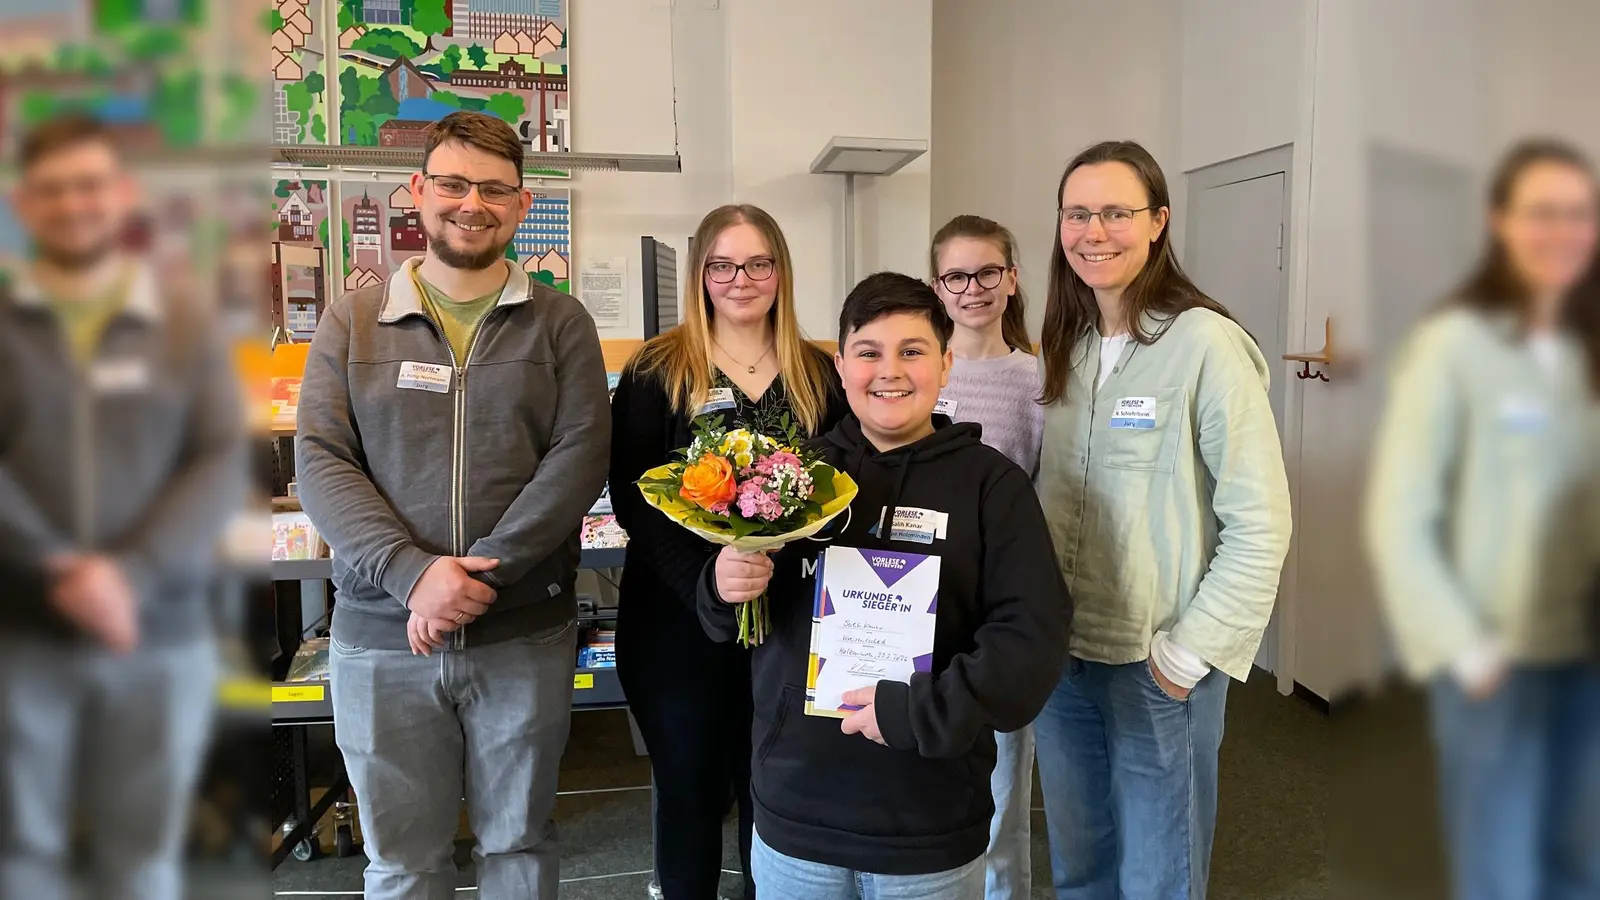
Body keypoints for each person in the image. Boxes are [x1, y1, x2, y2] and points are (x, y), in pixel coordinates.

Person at [296, 111, 610, 900]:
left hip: (522, 633)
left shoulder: (561, 323)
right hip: (383, 639)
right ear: (418, 190)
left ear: (522, 204)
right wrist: (414, 577)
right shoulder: (352, 320)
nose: (473, 203)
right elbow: (323, 461)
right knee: (404, 864)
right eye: (454, 183)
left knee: (520, 847)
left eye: (495, 189)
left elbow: (578, 459)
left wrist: (475, 581)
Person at [703, 272, 1070, 900]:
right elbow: (734, 622)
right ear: (841, 366)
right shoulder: (791, 479)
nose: (889, 371)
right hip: (798, 814)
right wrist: (721, 586)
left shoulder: (992, 488)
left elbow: (1030, 641)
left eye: (912, 350)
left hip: (927, 821)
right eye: (869, 352)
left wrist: (921, 710)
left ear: (946, 364)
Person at [1032, 140, 1293, 900]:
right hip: (1062, 657)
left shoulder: (1205, 343)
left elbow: (1261, 521)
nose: (1094, 232)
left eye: (1117, 212)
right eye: (1077, 214)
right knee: (1080, 868)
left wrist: (1187, 655)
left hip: (1155, 662)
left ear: (1158, 222)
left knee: (1158, 877)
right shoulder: (1068, 345)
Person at [0, 114, 245, 900]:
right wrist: (58, 567)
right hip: (21, 633)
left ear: (125, 193)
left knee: (141, 861)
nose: (73, 204)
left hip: (161, 634)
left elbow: (218, 459)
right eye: (52, 189)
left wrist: (129, 575)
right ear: (24, 203)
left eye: (90, 184)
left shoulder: (184, 322)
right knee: (20, 856)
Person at [1364, 138, 1600, 900]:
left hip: (1587, 650)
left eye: (1578, 214)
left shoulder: (1587, 347)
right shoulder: (1450, 348)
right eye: (1541, 213)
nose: (1562, 232)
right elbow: (1397, 516)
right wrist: (1464, 651)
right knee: (1500, 871)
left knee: (1582, 862)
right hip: (1496, 663)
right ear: (1500, 221)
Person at [609, 204, 846, 900]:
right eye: (722, 265)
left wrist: (779, 561)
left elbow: (835, 491)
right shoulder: (657, 369)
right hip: (674, 625)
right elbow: (631, 495)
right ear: (700, 275)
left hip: (786, 625)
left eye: (758, 263)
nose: (741, 279)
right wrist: (709, 582)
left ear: (780, 271)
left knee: (770, 794)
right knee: (687, 792)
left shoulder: (819, 374)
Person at [927, 214, 1043, 900]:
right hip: (915, 599)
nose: (973, 288)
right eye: (956, 276)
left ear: (1012, 279)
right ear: (936, 286)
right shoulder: (918, 367)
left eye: (988, 272)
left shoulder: (1039, 380)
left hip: (995, 607)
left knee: (1003, 790)